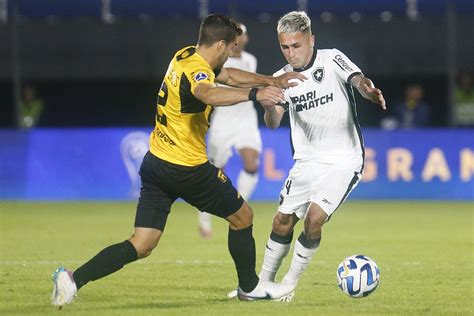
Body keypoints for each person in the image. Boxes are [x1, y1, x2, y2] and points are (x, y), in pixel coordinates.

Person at [51, 14, 307, 307]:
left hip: (156, 162)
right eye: (232, 47)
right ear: (221, 45)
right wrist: (255, 94)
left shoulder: (185, 55)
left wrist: (272, 80)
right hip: (186, 168)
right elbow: (207, 92)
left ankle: (71, 279)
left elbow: (228, 76)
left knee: (142, 243)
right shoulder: (197, 74)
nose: (233, 53)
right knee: (242, 217)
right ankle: (249, 287)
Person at [253, 11, 385, 296]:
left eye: (296, 45)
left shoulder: (331, 58)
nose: (291, 53)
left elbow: (358, 80)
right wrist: (267, 105)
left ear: (311, 40)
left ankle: (287, 285)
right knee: (281, 221)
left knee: (314, 218)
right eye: (285, 47)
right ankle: (262, 283)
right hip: (306, 161)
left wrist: (369, 91)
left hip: (343, 160)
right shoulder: (279, 78)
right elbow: (274, 123)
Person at [199, 23, 262, 239]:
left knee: (252, 164)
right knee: (216, 172)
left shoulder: (251, 60)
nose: (241, 39)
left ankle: (238, 206)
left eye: (243, 35)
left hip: (246, 119)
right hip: (224, 119)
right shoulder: (218, 62)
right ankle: (204, 219)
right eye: (238, 36)